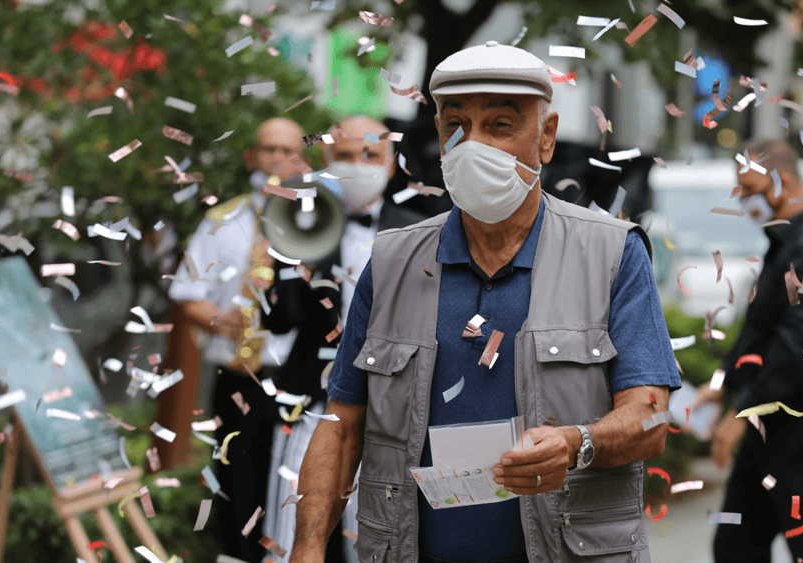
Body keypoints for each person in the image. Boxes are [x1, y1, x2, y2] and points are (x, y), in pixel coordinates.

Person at [288, 41, 681, 563]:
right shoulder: (391, 262)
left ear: (546, 137)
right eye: (456, 125)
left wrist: (576, 443)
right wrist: (309, 547)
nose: (472, 145)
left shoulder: (610, 252)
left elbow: (650, 419)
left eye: (499, 125)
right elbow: (341, 428)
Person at [260, 115, 425, 563]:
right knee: (290, 523)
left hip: (389, 403)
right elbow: (279, 320)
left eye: (370, 156)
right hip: (310, 396)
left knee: (375, 531)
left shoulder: (419, 230)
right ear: (327, 163)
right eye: (346, 156)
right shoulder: (305, 224)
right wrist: (291, 258)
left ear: (390, 166)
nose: (359, 165)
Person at [696, 139, 803, 562]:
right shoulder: (787, 245)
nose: (745, 199)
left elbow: (795, 348)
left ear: (784, 182)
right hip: (770, 426)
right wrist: (721, 384)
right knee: (735, 546)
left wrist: (741, 414)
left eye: (750, 188)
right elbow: (758, 334)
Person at [167, 117, 308, 563]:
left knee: (288, 484)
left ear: (303, 161)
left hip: (293, 377)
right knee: (235, 481)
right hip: (237, 373)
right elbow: (186, 293)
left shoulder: (314, 218)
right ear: (252, 156)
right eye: (270, 150)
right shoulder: (220, 220)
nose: (279, 160)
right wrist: (217, 319)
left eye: (289, 152)